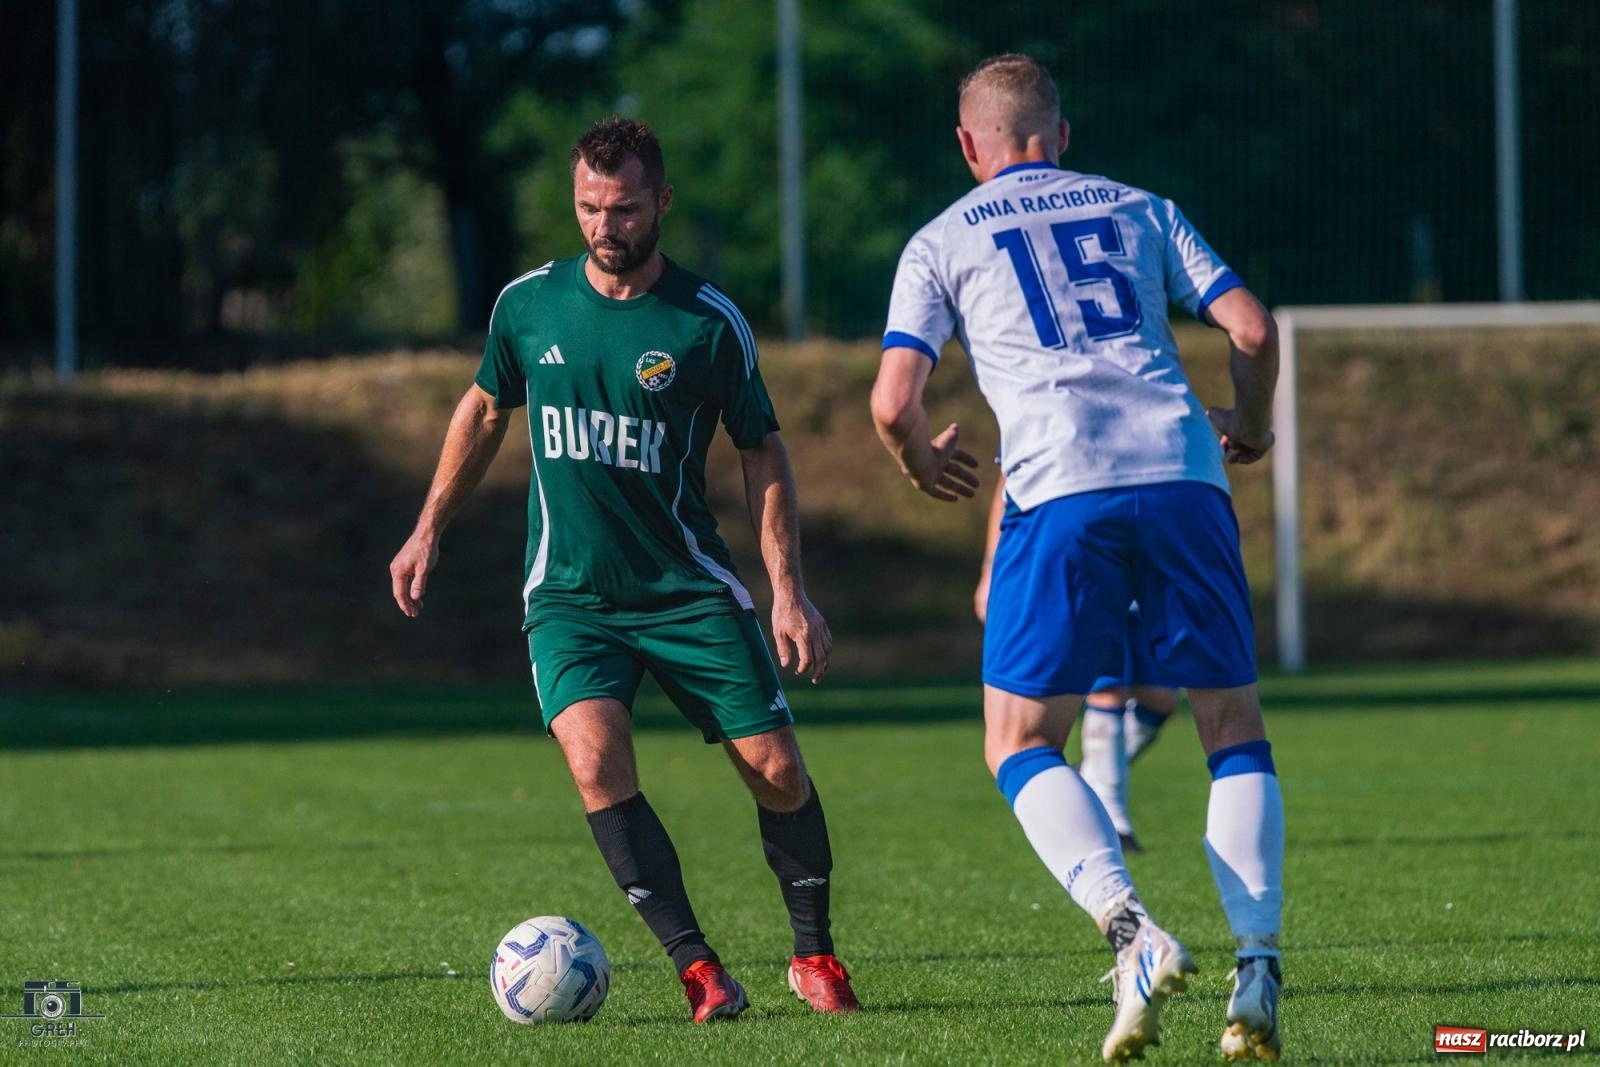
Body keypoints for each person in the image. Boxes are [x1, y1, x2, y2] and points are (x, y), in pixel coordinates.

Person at [389, 117, 859, 1023]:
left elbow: (763, 450)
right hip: (569, 595)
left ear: (663, 203)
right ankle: (700, 971)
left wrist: (785, 587)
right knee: (597, 761)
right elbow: (485, 408)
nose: (606, 225)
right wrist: (426, 529)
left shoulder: (706, 323)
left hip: (684, 588)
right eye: (589, 207)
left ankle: (815, 957)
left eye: (626, 208)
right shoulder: (527, 306)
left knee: (777, 770)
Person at [871, 55, 1283, 1062]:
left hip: (1058, 487)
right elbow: (1250, 326)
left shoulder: (938, 241)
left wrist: (921, 461)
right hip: (1184, 472)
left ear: (969, 145)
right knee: (1228, 722)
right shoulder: (1143, 207)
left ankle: (1132, 932)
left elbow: (891, 402)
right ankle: (1259, 963)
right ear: (1061, 134)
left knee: (1016, 740)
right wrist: (1254, 428)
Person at [976, 472, 1180, 852]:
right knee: (1108, 688)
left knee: (1161, 697)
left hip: (1150, 554)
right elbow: (1006, 479)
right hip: (1086, 552)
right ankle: (1113, 815)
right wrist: (991, 567)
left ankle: (1086, 775)